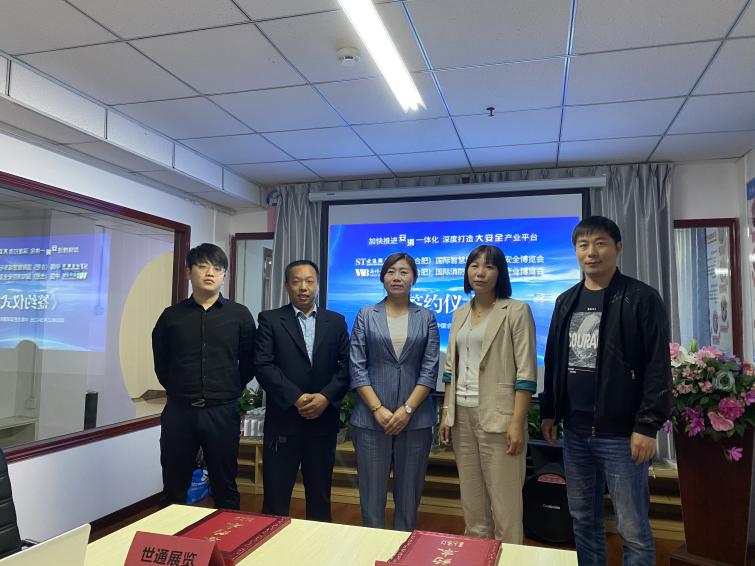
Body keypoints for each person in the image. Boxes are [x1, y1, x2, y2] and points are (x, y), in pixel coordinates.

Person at [540, 216, 672, 566]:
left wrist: (647, 425)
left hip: (623, 435)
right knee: (583, 520)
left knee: (632, 529)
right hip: (575, 432)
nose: (591, 252)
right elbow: (554, 359)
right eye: (583, 245)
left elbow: (657, 366)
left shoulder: (641, 298)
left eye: (600, 243)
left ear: (618, 247)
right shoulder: (566, 300)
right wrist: (550, 410)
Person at [438, 245, 537, 543]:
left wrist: (517, 422)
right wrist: (446, 414)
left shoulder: (516, 310)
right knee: (473, 509)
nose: (480, 273)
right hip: (461, 417)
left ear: (500, 273)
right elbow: (450, 370)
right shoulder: (460, 313)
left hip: (500, 419)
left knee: (506, 511)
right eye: (474, 266)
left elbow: (526, 374)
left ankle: (511, 560)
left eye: (489, 266)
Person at [152, 243, 255, 510]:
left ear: (224, 275)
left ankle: (226, 535)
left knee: (225, 484)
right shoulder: (171, 317)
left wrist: (229, 389)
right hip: (180, 411)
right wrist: (180, 389)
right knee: (173, 484)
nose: (210, 273)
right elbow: (161, 363)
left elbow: (249, 362)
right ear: (189, 271)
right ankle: (172, 534)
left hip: (222, 411)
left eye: (217, 268)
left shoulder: (240, 315)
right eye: (202, 266)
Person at [349, 252, 439, 531]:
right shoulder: (366, 315)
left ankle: (404, 548)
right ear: (382, 277)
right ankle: (372, 549)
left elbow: (429, 370)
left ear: (414, 278)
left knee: (409, 498)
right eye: (390, 271)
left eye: (403, 272)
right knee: (371, 498)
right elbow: (357, 366)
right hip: (370, 419)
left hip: (416, 420)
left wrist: (407, 409)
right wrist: (378, 409)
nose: (396, 277)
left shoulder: (426, 317)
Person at [254, 259, 349, 522]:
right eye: (296, 281)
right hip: (283, 423)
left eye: (309, 281)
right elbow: (263, 365)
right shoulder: (270, 320)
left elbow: (346, 366)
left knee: (320, 497)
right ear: (287, 285)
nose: (303, 287)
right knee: (275, 498)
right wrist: (295, 397)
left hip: (322, 422)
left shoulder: (336, 321)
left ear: (317, 285)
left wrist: (325, 397)